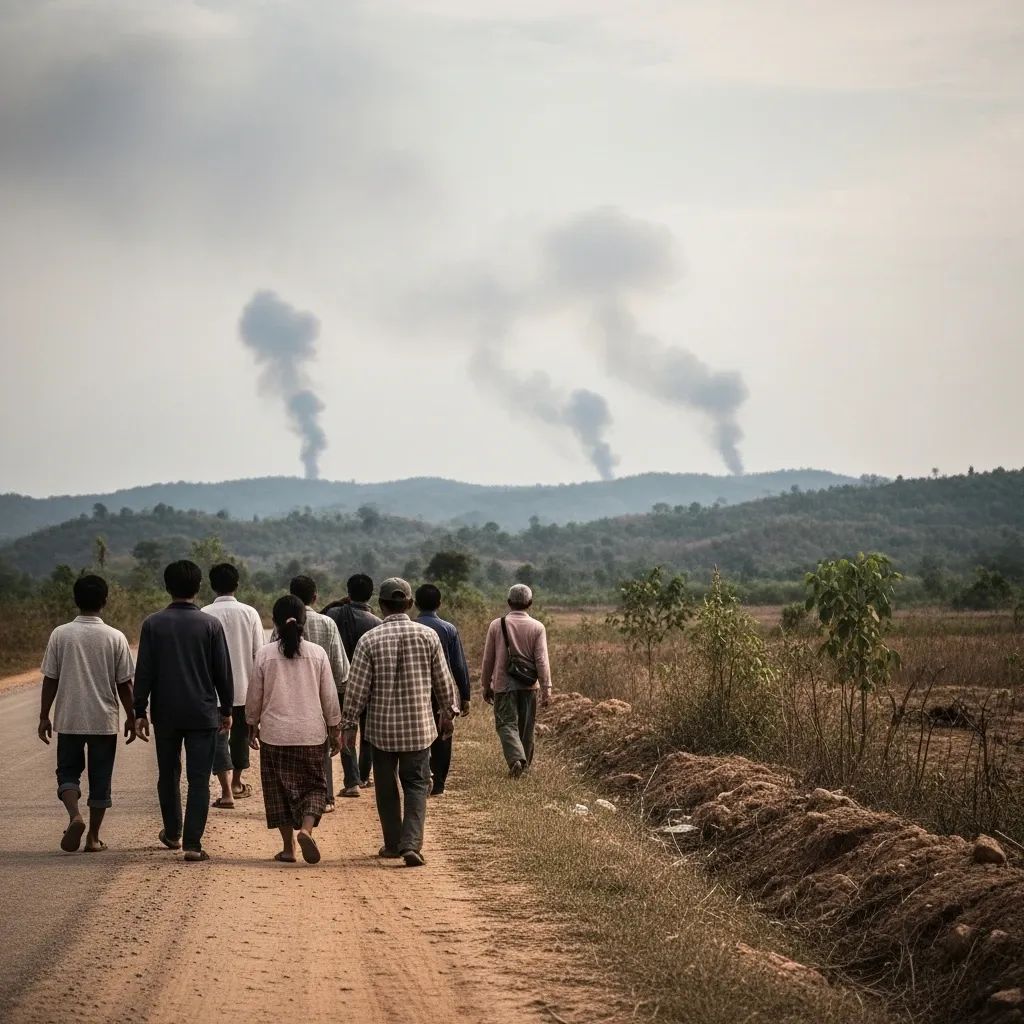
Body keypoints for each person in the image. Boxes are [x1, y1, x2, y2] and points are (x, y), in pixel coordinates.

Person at [342, 578, 459, 867]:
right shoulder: (428, 635)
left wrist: (348, 725)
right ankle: (411, 844)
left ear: (381, 605)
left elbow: (357, 689)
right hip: (418, 728)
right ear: (409, 604)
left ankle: (393, 844)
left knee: (385, 786)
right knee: (417, 784)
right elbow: (443, 681)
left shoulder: (369, 640)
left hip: (381, 730)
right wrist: (447, 712)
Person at [134, 560, 233, 862]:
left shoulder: (153, 624)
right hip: (203, 713)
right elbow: (222, 673)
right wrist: (226, 709)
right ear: (198, 587)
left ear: (167, 586)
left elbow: (145, 672)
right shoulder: (210, 625)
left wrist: (139, 710)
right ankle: (193, 843)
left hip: (166, 714)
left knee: (168, 774)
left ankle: (172, 833)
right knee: (199, 779)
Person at [37, 574, 136, 853]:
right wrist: (132, 715)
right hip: (103, 720)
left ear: (75, 600)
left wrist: (45, 715)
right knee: (101, 778)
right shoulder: (115, 637)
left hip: (69, 718)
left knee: (67, 772)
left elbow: (50, 679)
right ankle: (93, 838)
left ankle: (74, 815)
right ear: (105, 601)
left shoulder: (61, 634)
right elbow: (124, 684)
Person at [246, 595, 341, 865]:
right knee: (315, 786)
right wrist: (335, 728)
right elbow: (329, 697)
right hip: (311, 733)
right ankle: (307, 829)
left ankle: (288, 848)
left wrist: (251, 723)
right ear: (303, 621)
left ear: (274, 622)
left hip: (275, 735)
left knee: (278, 792)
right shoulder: (317, 653)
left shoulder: (265, 654)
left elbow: (255, 695)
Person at [273, 575, 349, 811]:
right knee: (320, 747)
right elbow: (340, 667)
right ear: (314, 597)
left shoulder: (280, 626)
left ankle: (293, 798)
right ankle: (324, 797)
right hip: (320, 695)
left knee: (291, 749)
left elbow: (270, 656)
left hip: (287, 695)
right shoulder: (327, 623)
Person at [202, 563, 264, 808]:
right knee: (240, 737)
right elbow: (258, 655)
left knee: (218, 737)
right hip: (244, 687)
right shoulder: (250, 613)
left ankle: (226, 789)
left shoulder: (204, 613)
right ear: (237, 585)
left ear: (212, 585)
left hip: (213, 691)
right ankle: (238, 783)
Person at [481, 584, 552, 778]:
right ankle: (525, 767)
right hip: (529, 685)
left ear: (509, 602)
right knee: (527, 728)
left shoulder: (497, 625)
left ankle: (516, 760)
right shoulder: (538, 627)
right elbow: (542, 660)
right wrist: (546, 688)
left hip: (504, 685)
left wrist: (486, 684)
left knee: (506, 724)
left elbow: (488, 659)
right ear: (530, 603)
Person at [324, 573, 381, 793]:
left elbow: (318, 616)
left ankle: (352, 781)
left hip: (338, 682)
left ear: (348, 592)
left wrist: (338, 602)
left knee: (345, 728)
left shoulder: (333, 614)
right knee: (367, 733)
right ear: (371, 594)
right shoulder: (376, 622)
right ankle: (363, 776)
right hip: (369, 684)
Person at [414, 583, 471, 796]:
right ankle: (439, 783)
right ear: (439, 603)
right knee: (443, 734)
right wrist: (465, 694)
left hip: (417, 689)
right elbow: (458, 665)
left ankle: (421, 776)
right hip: (442, 690)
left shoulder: (412, 626)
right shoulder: (448, 629)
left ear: (416, 604)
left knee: (419, 733)